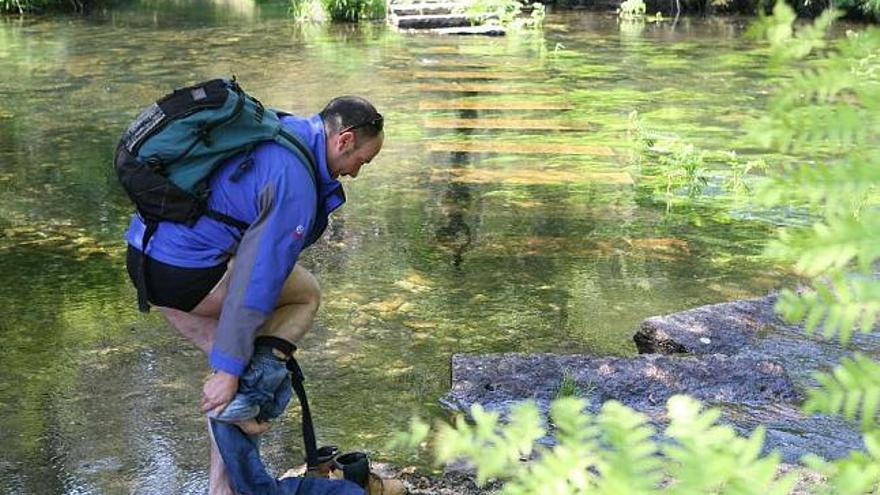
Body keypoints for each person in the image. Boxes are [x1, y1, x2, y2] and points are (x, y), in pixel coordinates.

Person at [124, 95, 384, 494]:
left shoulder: (281, 127)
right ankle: (241, 404)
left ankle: (222, 487)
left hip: (147, 255)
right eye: (362, 162)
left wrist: (230, 369)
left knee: (234, 377)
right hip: (183, 272)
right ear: (344, 140)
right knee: (302, 298)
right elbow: (256, 279)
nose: (356, 173)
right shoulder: (294, 180)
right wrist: (229, 370)